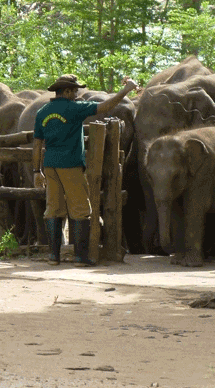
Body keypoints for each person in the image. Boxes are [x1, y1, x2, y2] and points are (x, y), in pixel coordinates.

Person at [32, 74, 138, 266]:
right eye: (74, 90)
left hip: (49, 166)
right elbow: (105, 106)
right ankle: (80, 257)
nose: (77, 94)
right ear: (66, 91)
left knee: (53, 208)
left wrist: (35, 171)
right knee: (80, 209)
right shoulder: (74, 109)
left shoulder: (42, 112)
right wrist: (126, 89)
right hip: (71, 164)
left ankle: (53, 256)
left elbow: (37, 144)